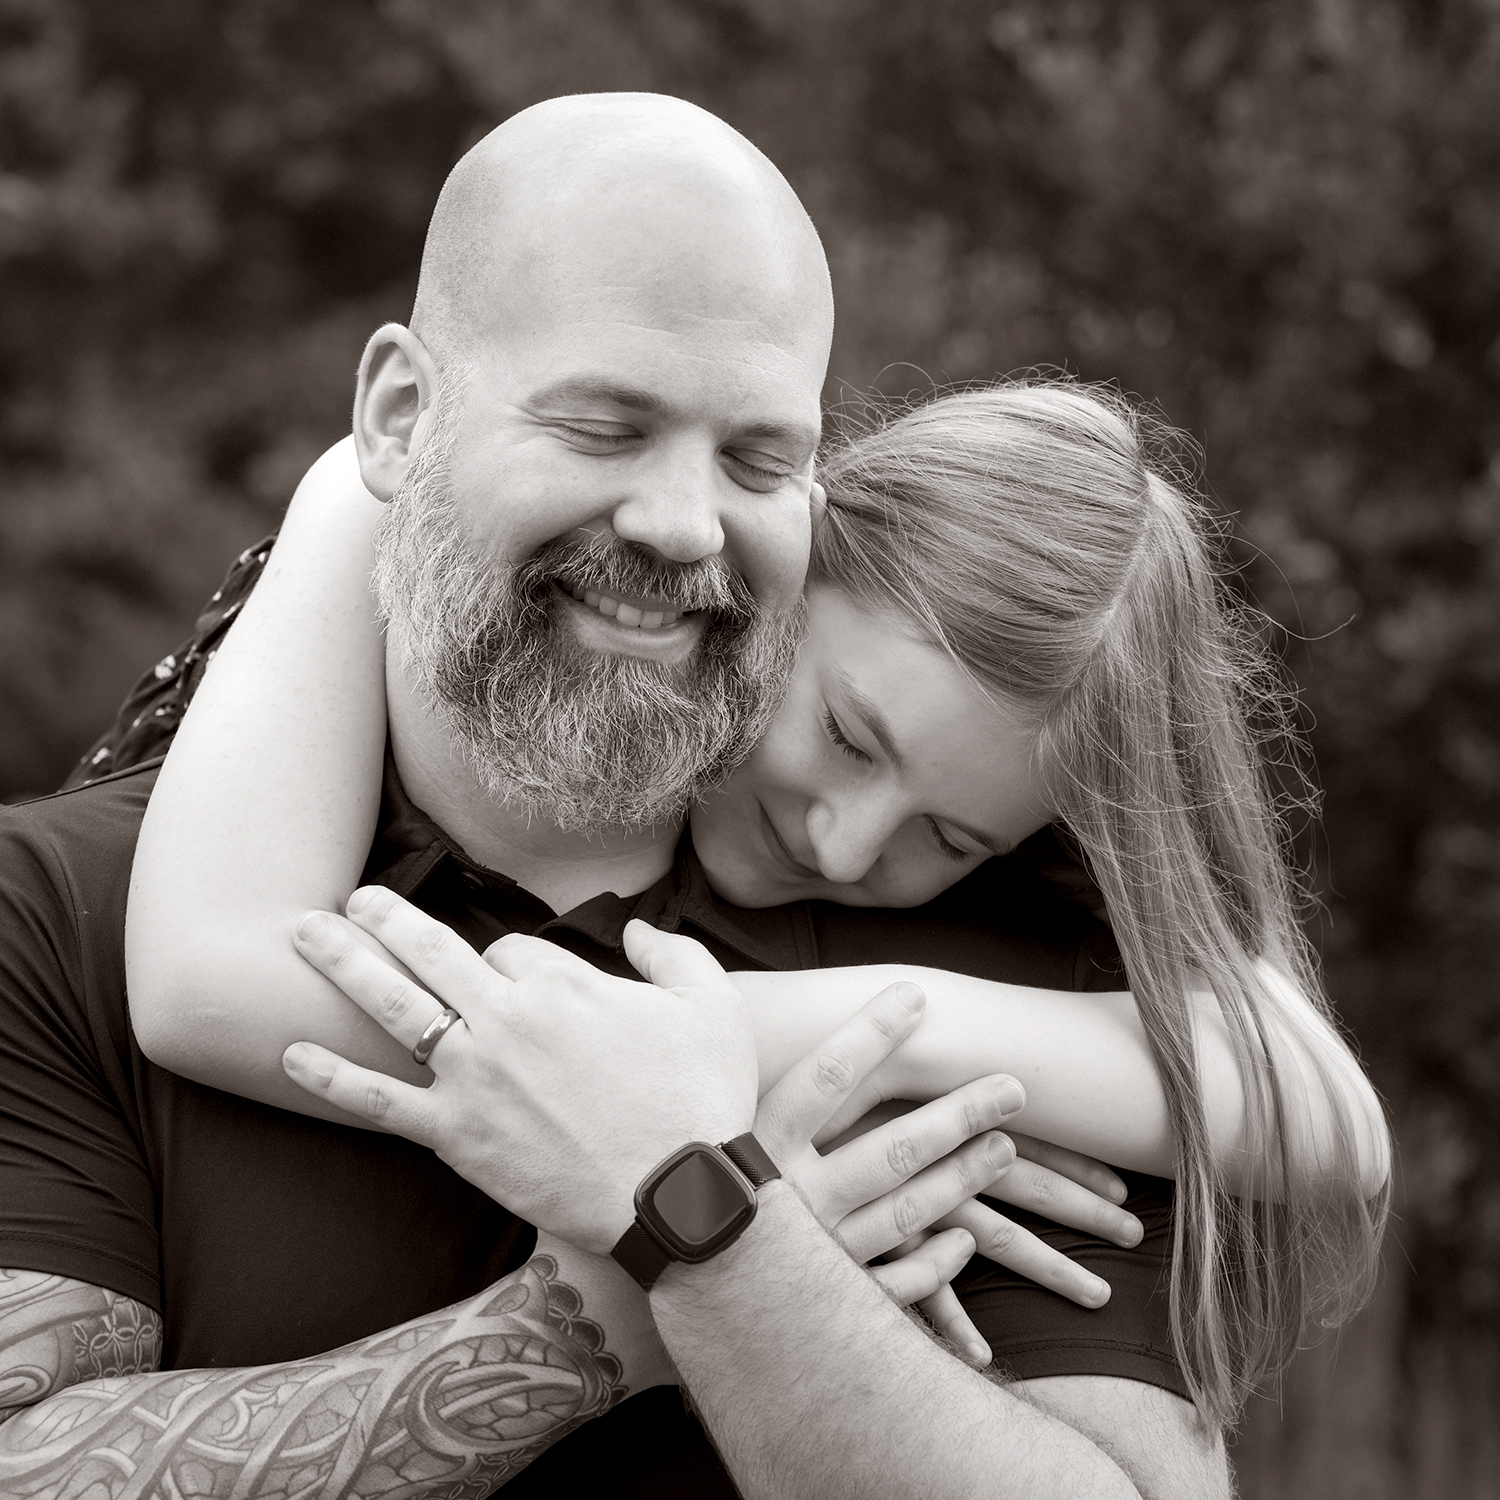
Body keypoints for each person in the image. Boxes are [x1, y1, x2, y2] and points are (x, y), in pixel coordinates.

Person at [0, 92, 1215, 1500]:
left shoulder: (984, 962)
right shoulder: (61, 914)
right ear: (401, 417)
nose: (683, 524)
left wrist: (738, 1272)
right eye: (602, 426)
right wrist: (606, 1312)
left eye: (758, 457)